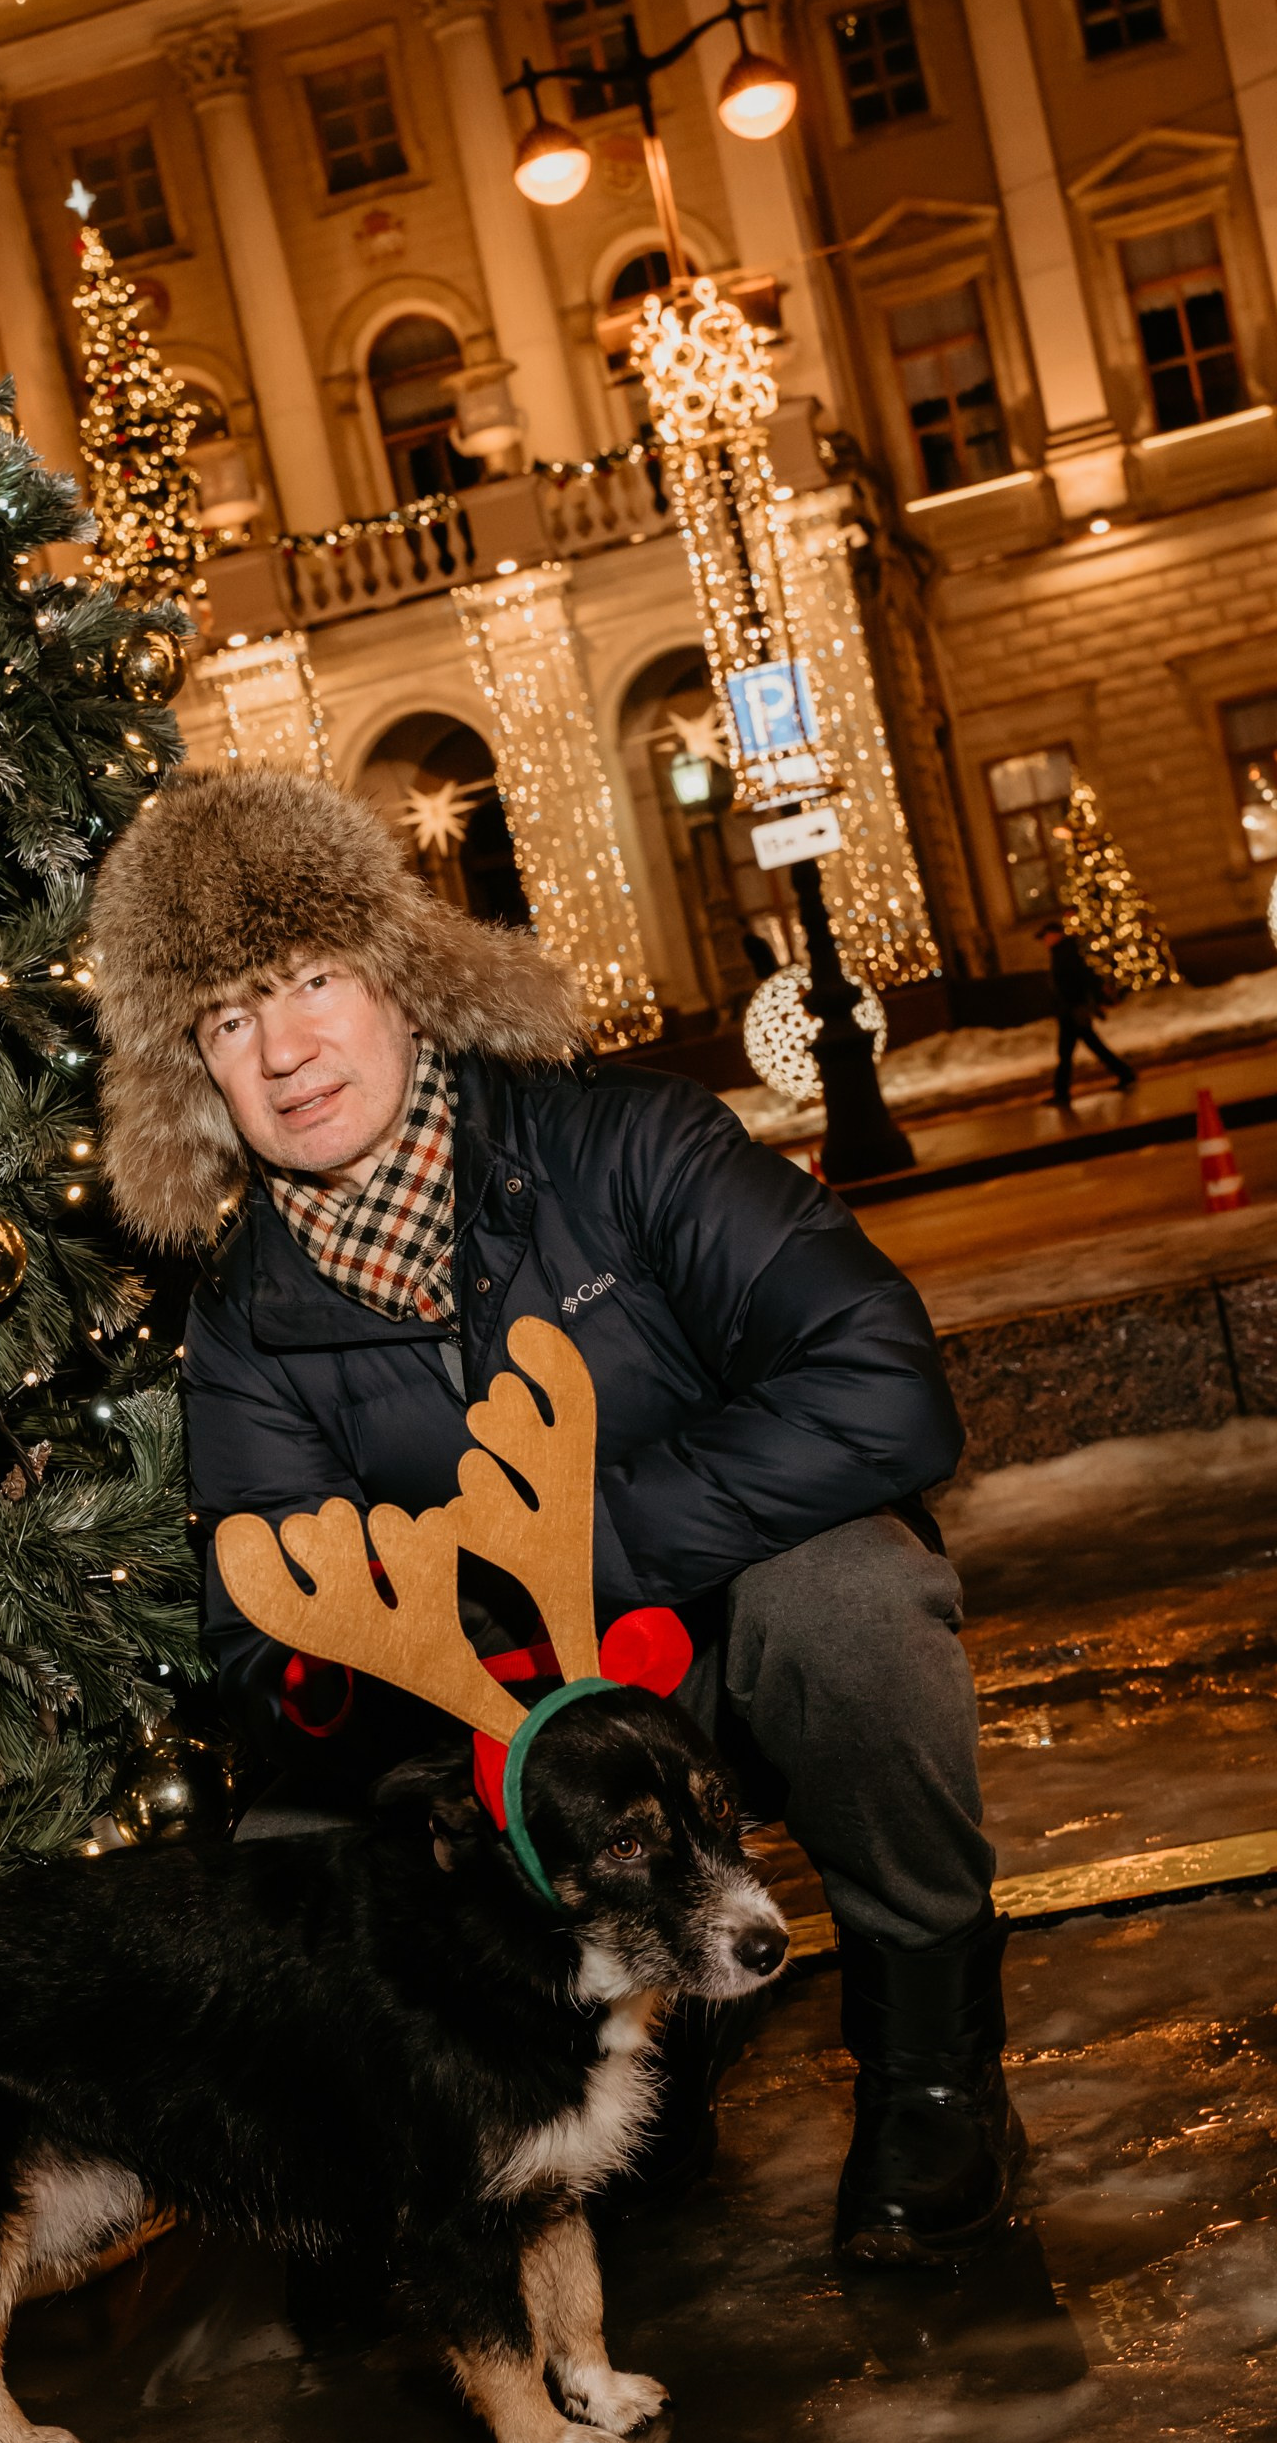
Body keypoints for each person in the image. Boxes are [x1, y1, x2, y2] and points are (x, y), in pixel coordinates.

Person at [89, 771, 1023, 2269]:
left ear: (398, 974)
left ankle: (934, 2068)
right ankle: (600, 2078)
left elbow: (882, 1390)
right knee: (295, 1832)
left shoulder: (624, 1145)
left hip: (718, 1663)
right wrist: (421, 1657)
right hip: (508, 1736)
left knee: (847, 1600)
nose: (284, 1050)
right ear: (195, 1073)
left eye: (311, 980)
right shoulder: (245, 1318)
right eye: (226, 1020)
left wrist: (578, 1553)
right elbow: (262, 1649)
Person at [1041, 916, 1137, 1109]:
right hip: (1072, 1009)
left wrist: (1089, 1002)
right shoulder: (1062, 952)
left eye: (1046, 936)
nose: (1045, 941)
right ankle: (1124, 1073)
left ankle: (1062, 1093)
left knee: (1069, 1052)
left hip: (1073, 1010)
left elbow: (1080, 979)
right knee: (1090, 1046)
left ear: (1055, 935)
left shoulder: (1066, 954)